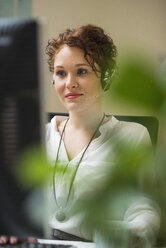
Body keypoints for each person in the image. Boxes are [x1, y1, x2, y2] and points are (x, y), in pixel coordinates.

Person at [0, 24, 160, 247]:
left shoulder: (132, 136)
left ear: (106, 76)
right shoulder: (38, 135)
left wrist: (132, 234)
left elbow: (145, 210)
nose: (70, 83)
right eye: (61, 73)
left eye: (81, 71)